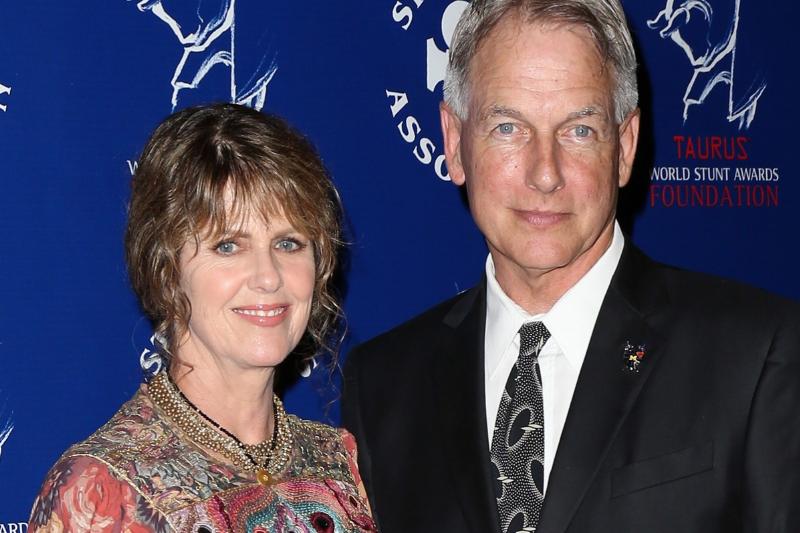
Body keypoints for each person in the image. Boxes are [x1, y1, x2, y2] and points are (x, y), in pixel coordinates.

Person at [341, 1, 800, 532]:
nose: (545, 173)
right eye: (508, 127)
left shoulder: (756, 355)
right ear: (454, 142)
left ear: (625, 146)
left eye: (578, 130)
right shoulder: (384, 385)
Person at [29, 104, 377, 532]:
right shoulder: (101, 491)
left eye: (288, 243)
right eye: (228, 246)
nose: (268, 277)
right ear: (165, 268)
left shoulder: (340, 463)